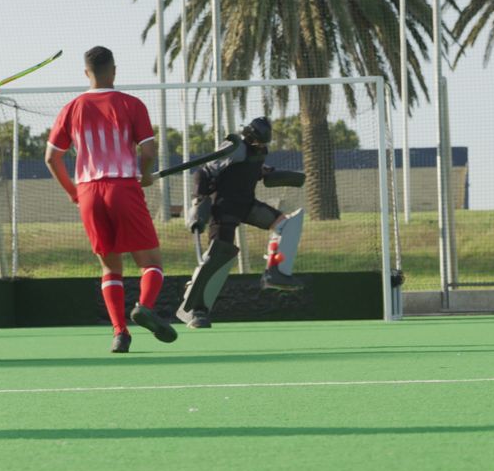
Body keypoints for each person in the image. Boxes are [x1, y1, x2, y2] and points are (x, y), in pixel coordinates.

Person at [44, 46, 176, 353]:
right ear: (114, 71)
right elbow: (148, 152)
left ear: (86, 73)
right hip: (123, 187)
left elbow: (52, 158)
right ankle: (144, 306)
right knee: (151, 263)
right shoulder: (132, 104)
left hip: (89, 192)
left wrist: (73, 192)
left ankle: (120, 333)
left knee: (109, 267)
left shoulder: (71, 108)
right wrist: (144, 174)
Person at [179, 116, 306, 329]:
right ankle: (196, 310)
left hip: (246, 205)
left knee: (284, 223)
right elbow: (202, 172)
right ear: (250, 136)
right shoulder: (234, 147)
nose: (262, 145)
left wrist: (266, 172)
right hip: (223, 208)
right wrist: (198, 201)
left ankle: (275, 273)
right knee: (217, 259)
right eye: (258, 141)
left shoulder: (259, 151)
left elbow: (252, 170)